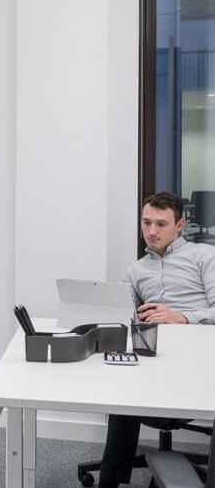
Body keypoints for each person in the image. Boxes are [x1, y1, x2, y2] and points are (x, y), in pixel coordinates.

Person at [98, 191, 215, 488]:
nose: (152, 231)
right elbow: (126, 317)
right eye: (146, 222)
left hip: (201, 358)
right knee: (122, 393)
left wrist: (181, 316)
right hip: (153, 355)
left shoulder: (205, 257)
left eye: (161, 224)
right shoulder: (136, 270)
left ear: (180, 225)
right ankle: (111, 481)